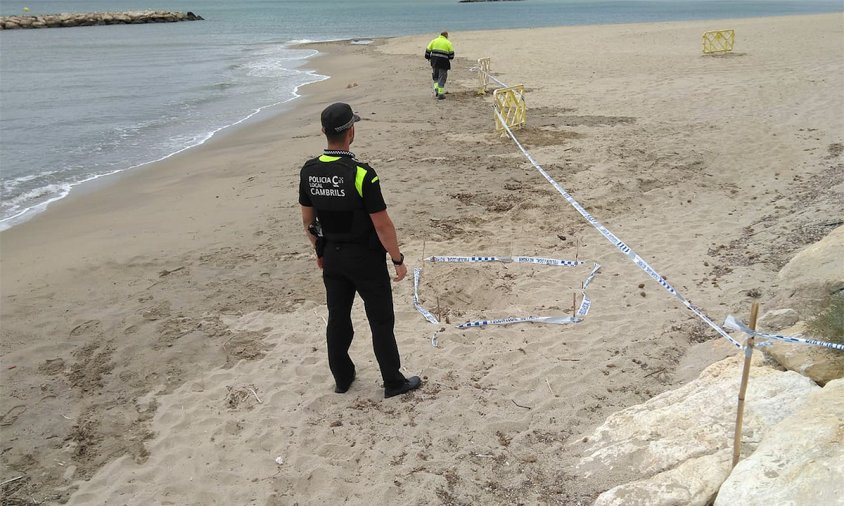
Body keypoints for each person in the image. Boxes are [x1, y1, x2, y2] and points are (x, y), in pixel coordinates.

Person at [299, 102, 422, 399]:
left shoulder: (309, 171)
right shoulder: (363, 174)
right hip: (365, 258)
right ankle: (392, 382)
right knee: (380, 320)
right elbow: (382, 225)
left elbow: (308, 221)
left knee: (337, 317)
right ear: (350, 132)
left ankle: (343, 377)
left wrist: (320, 251)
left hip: (333, 257)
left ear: (324, 132)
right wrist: (397, 259)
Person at [425, 31, 455, 100]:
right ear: (446, 36)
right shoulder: (448, 43)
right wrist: (448, 58)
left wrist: (429, 58)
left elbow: (427, 51)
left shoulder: (434, 41)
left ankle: (436, 90)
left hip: (434, 61)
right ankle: (441, 94)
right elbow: (451, 55)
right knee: (442, 76)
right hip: (444, 62)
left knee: (435, 76)